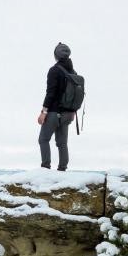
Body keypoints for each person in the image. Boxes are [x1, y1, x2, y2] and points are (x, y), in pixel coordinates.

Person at [37, 42, 77, 171]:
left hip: (54, 112)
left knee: (43, 139)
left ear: (56, 56)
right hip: (68, 114)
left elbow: (51, 93)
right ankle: (62, 169)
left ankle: (45, 168)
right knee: (62, 143)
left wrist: (44, 111)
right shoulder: (74, 72)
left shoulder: (54, 70)